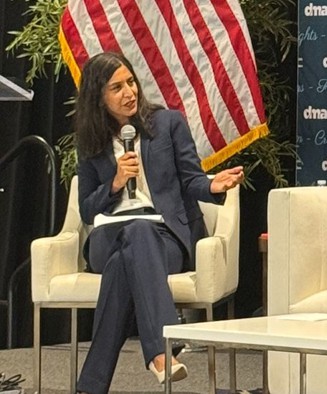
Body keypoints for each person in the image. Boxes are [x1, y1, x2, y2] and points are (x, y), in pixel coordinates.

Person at [73, 52, 244, 394]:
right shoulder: (90, 142)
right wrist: (115, 184)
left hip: (165, 237)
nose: (129, 92)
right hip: (110, 235)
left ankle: (90, 387)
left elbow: (192, 179)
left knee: (126, 260)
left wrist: (213, 186)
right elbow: (87, 211)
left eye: (130, 82)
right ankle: (161, 351)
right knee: (132, 235)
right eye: (117, 88)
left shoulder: (167, 124)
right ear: (99, 97)